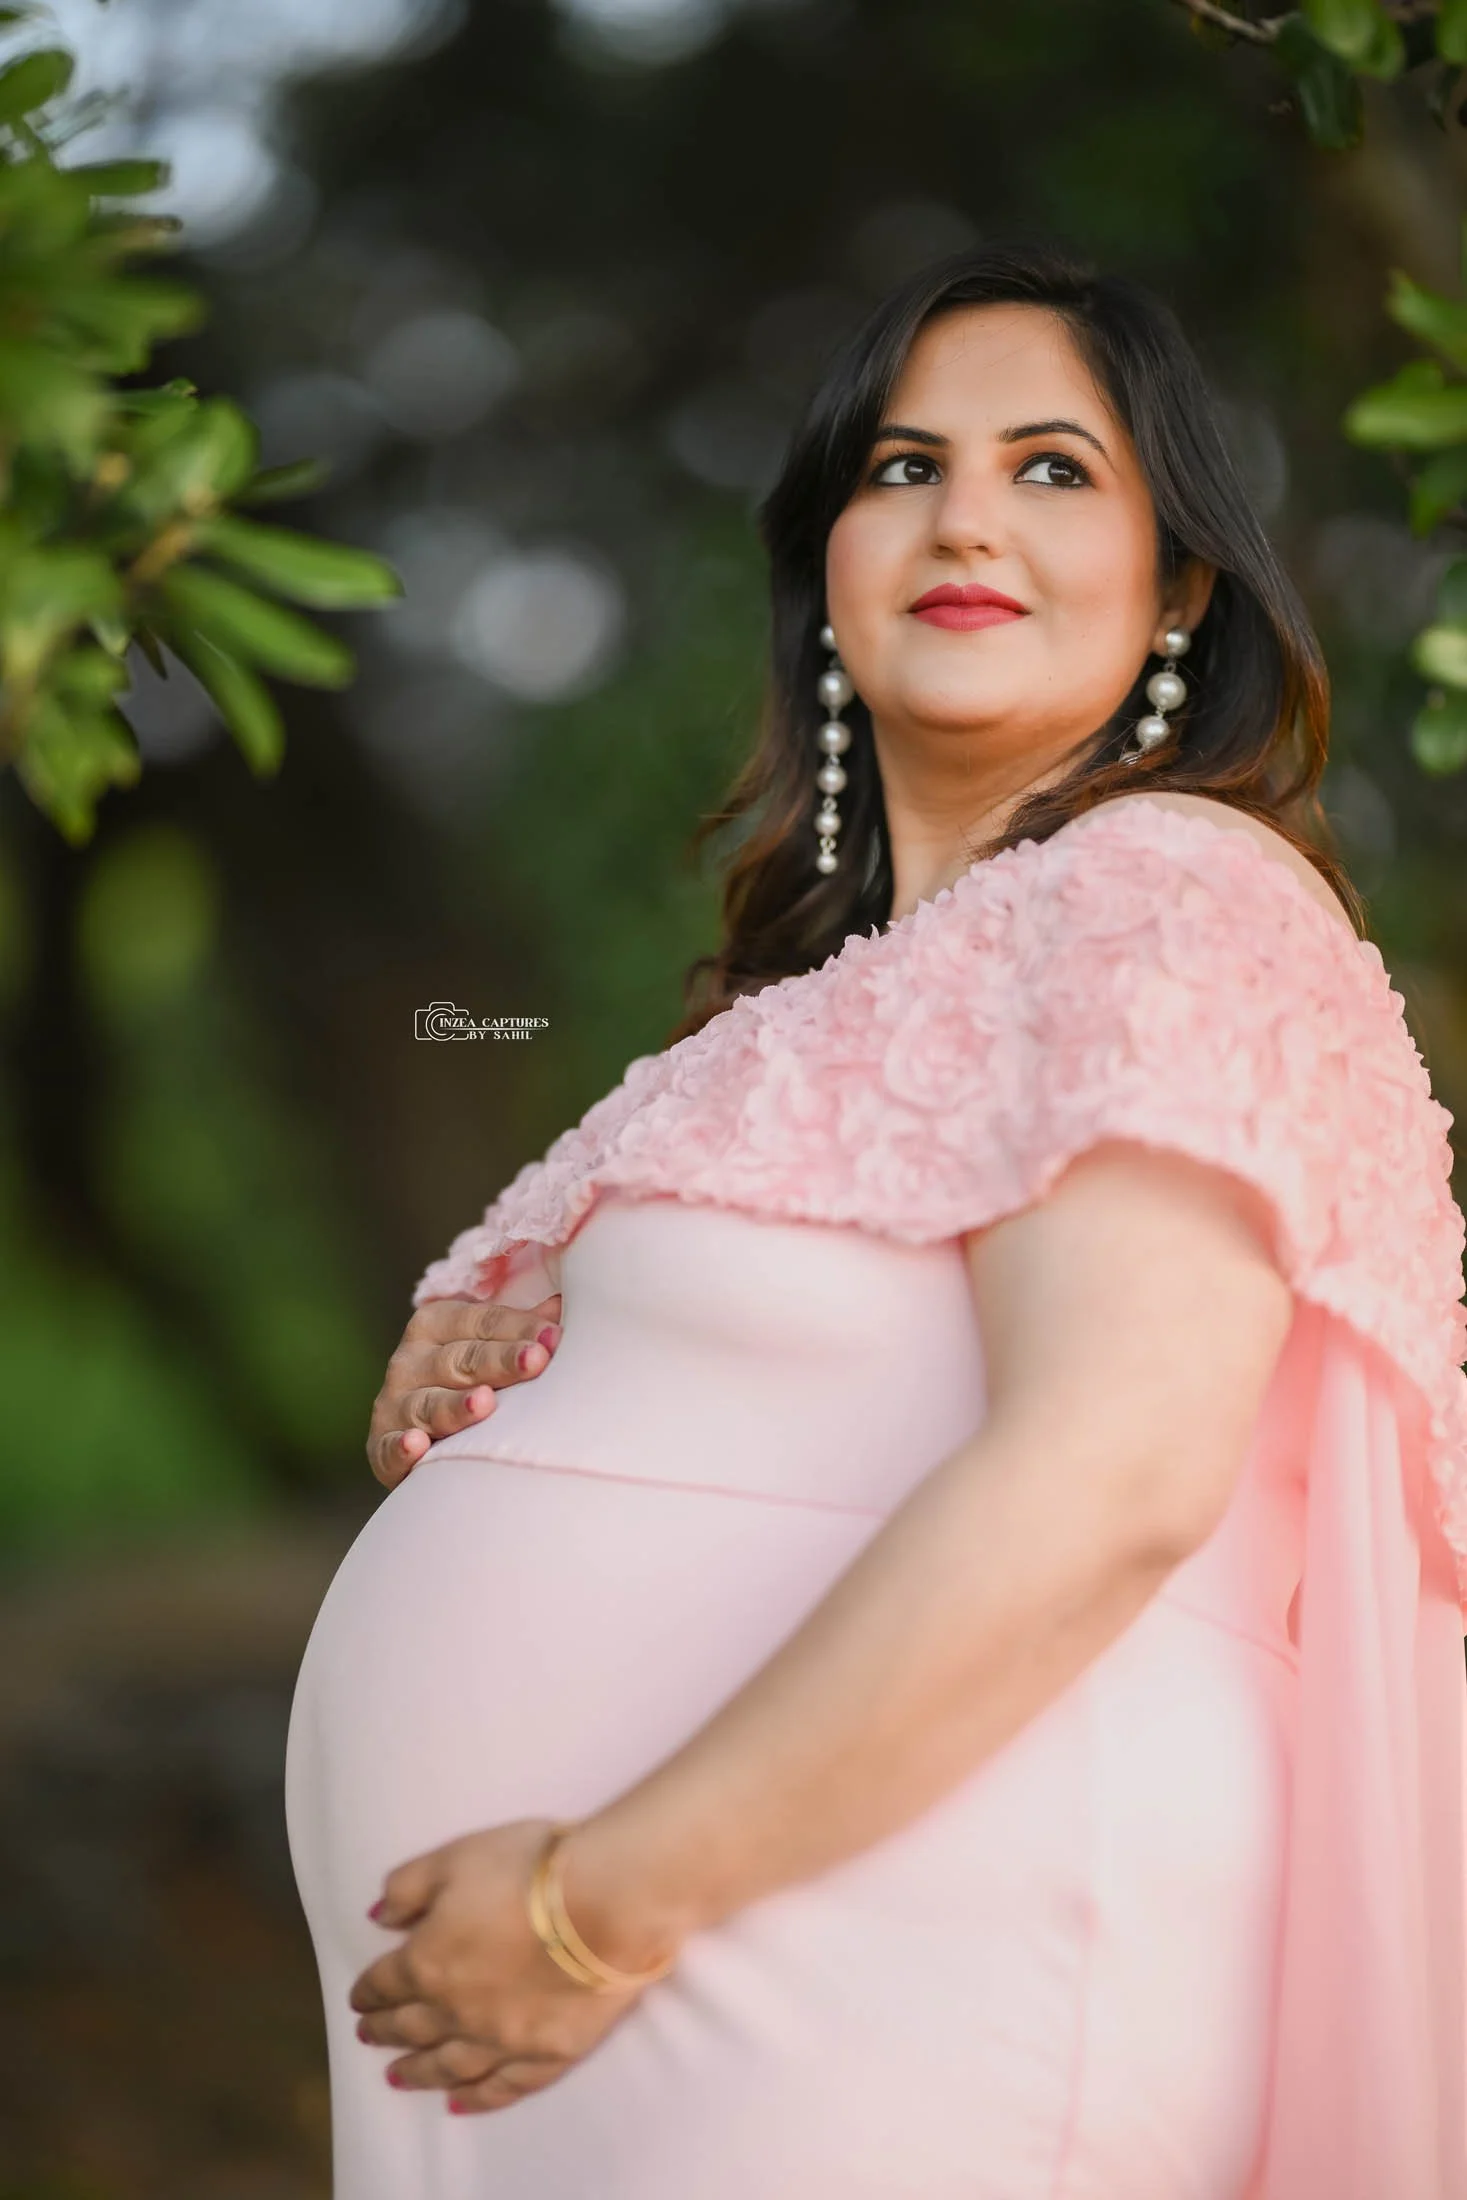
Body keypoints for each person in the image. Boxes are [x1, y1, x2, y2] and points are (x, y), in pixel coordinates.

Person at [284, 244, 1467, 2200]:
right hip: (610, 1999)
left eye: (1054, 467)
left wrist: (603, 1899)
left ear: (1181, 582)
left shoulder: (1165, 885)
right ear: (824, 558)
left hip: (852, 1954)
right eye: (900, 465)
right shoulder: (809, 999)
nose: (964, 516)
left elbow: (1117, 1470)